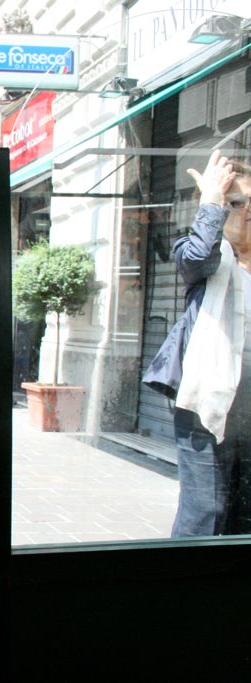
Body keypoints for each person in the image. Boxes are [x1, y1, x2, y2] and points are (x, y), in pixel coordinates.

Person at [143, 149, 251, 537]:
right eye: (236, 203)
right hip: (207, 405)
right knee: (206, 511)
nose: (247, 211)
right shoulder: (207, 261)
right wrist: (211, 203)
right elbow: (197, 255)